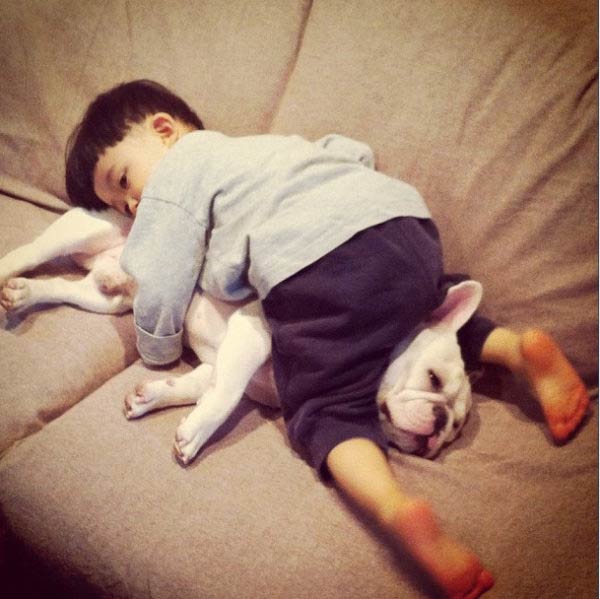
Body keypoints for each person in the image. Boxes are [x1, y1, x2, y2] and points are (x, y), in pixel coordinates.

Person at [65, 80, 589, 599]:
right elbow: (351, 151)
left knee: (323, 407)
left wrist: (157, 347)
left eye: (124, 182)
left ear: (165, 132)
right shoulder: (272, 149)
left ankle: (393, 508)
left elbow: (160, 274)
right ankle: (516, 351)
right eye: (122, 204)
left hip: (314, 266)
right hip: (400, 222)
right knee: (431, 309)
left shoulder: (176, 180)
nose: (133, 206)